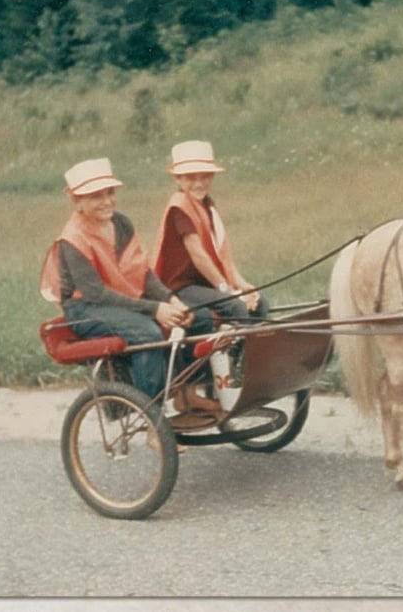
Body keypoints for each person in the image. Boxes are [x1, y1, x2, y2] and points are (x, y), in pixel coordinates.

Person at [39, 157, 218, 412]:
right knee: (147, 333)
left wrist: (170, 300)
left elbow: (143, 273)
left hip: (121, 300)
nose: (107, 201)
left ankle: (186, 395)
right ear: (76, 200)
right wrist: (155, 310)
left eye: (109, 193)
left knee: (198, 317)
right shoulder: (72, 239)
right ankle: (152, 417)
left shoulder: (121, 223)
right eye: (95, 196)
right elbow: (96, 294)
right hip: (86, 310)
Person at [150, 140, 269, 324]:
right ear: (177, 179)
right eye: (191, 178)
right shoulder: (179, 208)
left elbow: (223, 257)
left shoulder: (207, 205)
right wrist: (225, 289)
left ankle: (254, 348)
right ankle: (240, 348)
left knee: (259, 300)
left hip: (203, 284)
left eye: (205, 177)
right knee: (234, 306)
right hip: (181, 287)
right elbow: (199, 255)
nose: (199, 184)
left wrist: (242, 285)